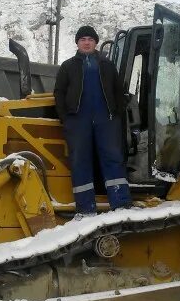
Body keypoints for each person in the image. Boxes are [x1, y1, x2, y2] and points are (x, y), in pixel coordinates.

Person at [53, 25, 132, 216]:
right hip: (78, 121)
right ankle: (85, 208)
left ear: (96, 42)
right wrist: (66, 117)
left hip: (106, 119)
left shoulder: (107, 65)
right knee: (80, 161)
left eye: (90, 39)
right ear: (77, 43)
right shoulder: (68, 66)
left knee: (113, 158)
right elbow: (59, 92)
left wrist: (117, 113)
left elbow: (118, 91)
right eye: (82, 40)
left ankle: (120, 204)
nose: (86, 42)